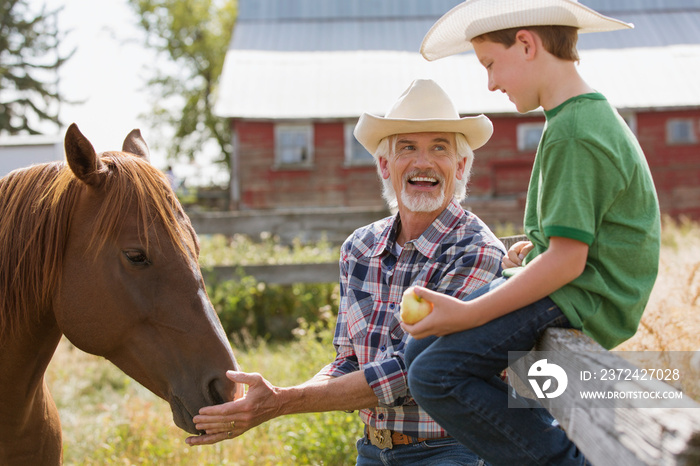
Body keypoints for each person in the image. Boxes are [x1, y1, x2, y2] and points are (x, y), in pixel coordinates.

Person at [186, 79, 507, 464]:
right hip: (372, 449)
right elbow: (348, 361)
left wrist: (283, 402)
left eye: (439, 147)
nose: (423, 162)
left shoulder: (476, 251)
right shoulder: (360, 248)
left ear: (460, 166)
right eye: (408, 147)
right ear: (385, 165)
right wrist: (271, 398)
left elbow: (412, 371)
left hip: (453, 451)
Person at [402, 1, 661, 465]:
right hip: (576, 284)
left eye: (490, 64)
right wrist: (535, 251)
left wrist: (467, 314)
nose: (491, 82)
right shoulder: (571, 120)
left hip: (585, 295)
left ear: (525, 44)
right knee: (416, 345)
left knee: (434, 376)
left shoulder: (575, 132)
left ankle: (564, 459)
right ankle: (540, 438)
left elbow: (568, 261)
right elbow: (569, 243)